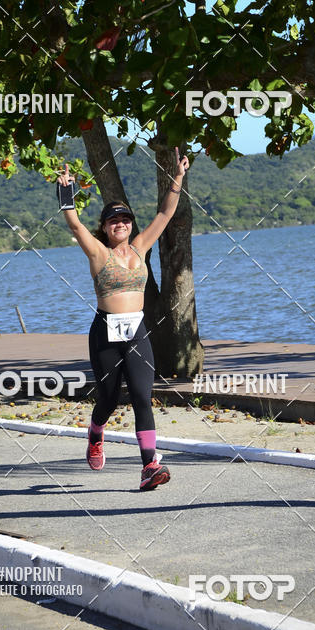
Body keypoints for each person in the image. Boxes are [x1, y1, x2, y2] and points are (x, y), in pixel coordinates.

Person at [57, 147, 189, 490]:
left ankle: (149, 465)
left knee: (143, 397)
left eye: (126, 219)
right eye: (114, 220)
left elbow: (165, 213)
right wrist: (66, 191)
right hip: (105, 334)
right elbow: (74, 223)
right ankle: (95, 432)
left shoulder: (141, 247)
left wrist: (177, 177)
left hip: (136, 332)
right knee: (109, 399)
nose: (121, 224)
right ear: (105, 227)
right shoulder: (98, 252)